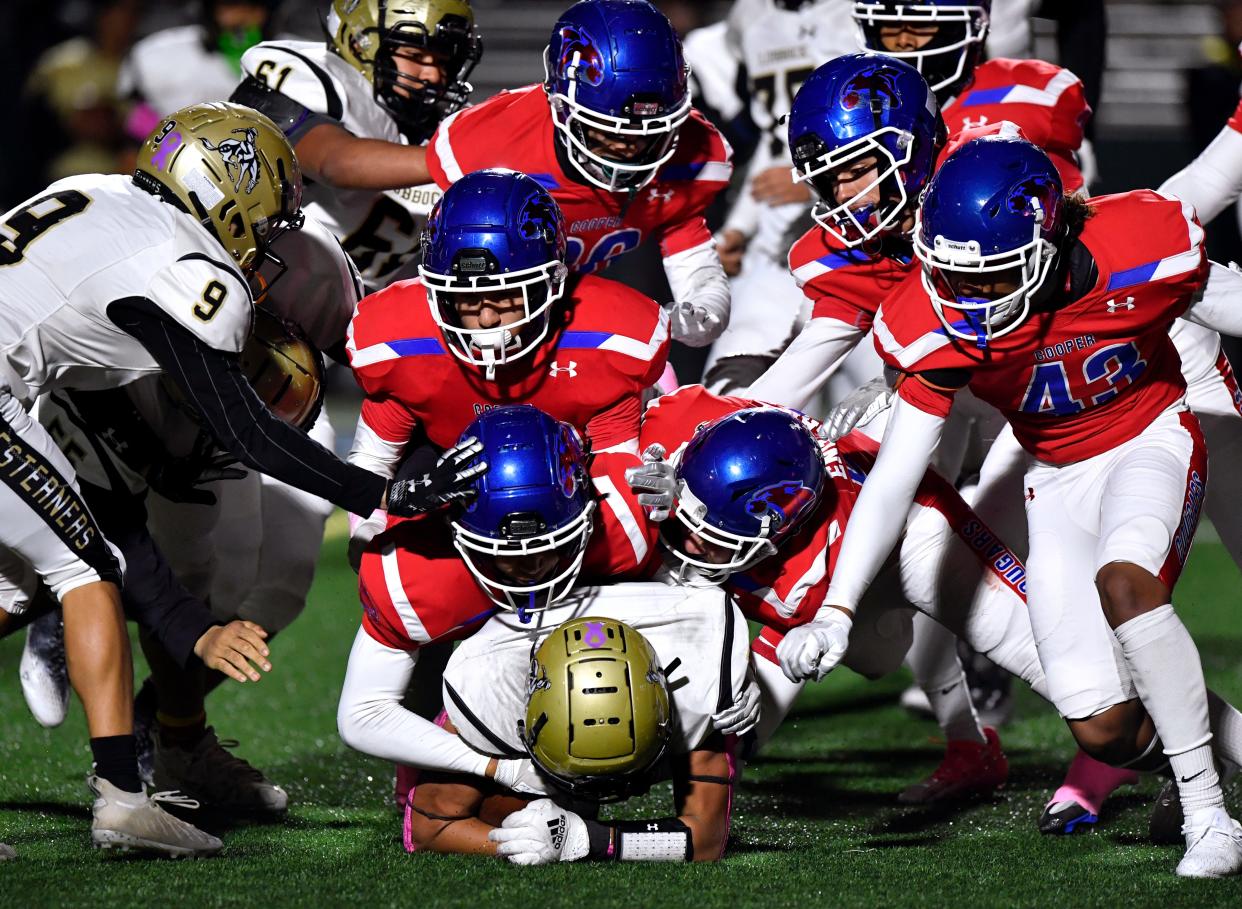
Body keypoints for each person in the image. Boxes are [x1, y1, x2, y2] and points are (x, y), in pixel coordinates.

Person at [0, 100, 459, 857]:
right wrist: (378, 493)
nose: (270, 235)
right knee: (83, 569)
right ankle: (121, 798)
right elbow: (246, 429)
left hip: (27, 388)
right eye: (269, 213)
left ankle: (142, 775)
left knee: (22, 585)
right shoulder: (187, 269)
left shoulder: (104, 194)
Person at [799, 132, 1242, 877]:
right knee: (1104, 727)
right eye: (951, 277)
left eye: (991, 278)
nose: (965, 300)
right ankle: (1216, 756)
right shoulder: (931, 316)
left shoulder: (1141, 240)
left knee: (1127, 585)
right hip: (1054, 473)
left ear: (1047, 242)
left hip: (1148, 436)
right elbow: (895, 476)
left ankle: (1211, 819)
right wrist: (837, 608)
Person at [630, 384, 1057, 802]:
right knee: (717, 746)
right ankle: (971, 748)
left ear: (777, 532)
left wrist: (741, 687)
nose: (689, 544)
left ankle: (1095, 757)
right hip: (827, 557)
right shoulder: (677, 414)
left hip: (917, 532)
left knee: (1057, 661)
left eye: (709, 536)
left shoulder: (800, 581)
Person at [424, 0, 732, 351]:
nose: (629, 147)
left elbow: (693, 258)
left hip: (581, 306)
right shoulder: (492, 144)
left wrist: (705, 312)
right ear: (561, 105)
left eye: (649, 132)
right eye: (609, 132)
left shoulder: (694, 154)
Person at [405, 605, 747, 864]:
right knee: (504, 810)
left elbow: (707, 839)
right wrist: (524, 840)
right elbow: (428, 830)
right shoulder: (488, 701)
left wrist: (589, 838)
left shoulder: (700, 699)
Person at [230, 0, 482, 290]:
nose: (434, 76)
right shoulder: (313, 80)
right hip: (242, 281)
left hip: (337, 310)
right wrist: (457, 158)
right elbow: (334, 163)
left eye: (443, 62)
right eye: (416, 56)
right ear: (360, 43)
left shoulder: (447, 125)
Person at [702, 0, 858, 396]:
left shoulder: (865, 11)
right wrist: (737, 227)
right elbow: (776, 139)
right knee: (724, 393)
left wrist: (813, 181)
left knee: (873, 407)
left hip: (866, 236)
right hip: (779, 245)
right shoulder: (748, 16)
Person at [119, 0, 280, 127]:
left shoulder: (294, 57)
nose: (241, 16)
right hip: (173, 157)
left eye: (253, 6)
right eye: (230, 4)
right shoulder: (157, 53)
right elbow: (134, 127)